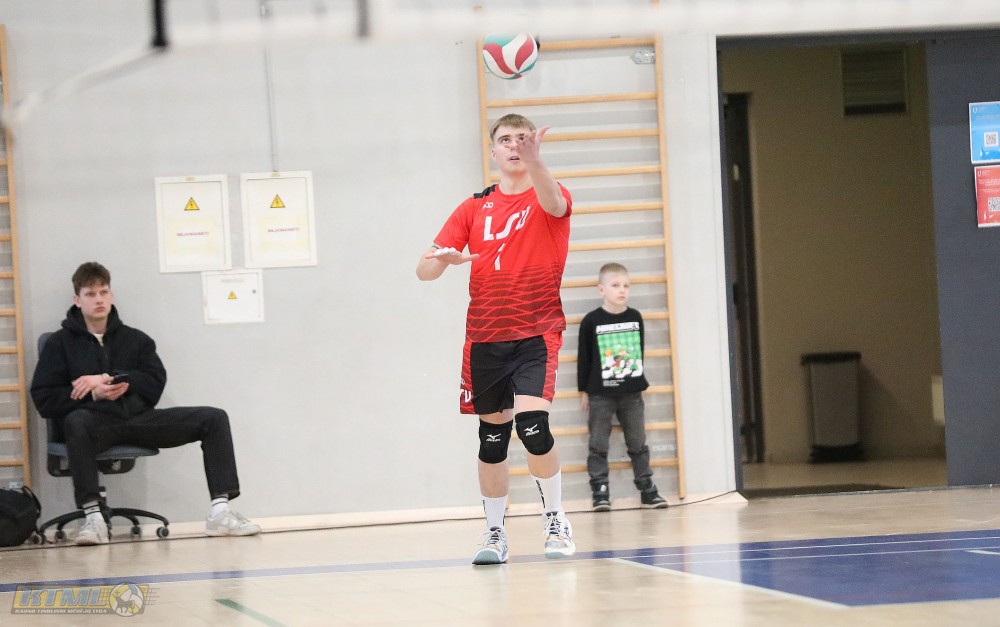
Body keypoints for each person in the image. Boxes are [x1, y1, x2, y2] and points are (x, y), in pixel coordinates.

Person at [416, 113, 575, 565]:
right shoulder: (473, 208)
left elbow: (555, 204)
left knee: (533, 427)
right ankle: (494, 533)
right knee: (492, 440)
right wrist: (444, 260)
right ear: (493, 151)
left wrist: (536, 161)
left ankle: (555, 519)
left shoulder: (549, 194)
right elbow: (423, 270)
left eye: (522, 139)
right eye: (505, 140)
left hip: (536, 331)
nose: (514, 146)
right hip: (486, 336)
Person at [30, 262, 261, 545]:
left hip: (138, 419)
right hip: (95, 425)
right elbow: (44, 399)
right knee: (75, 421)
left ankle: (221, 513)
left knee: (214, 418)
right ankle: (93, 518)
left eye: (104, 292)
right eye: (90, 294)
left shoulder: (136, 340)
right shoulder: (59, 344)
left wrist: (112, 379)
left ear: (111, 295)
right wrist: (93, 394)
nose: (99, 299)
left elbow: (154, 384)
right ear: (77, 300)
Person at [577, 262, 668, 511]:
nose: (622, 290)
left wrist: (635, 379)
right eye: (616, 285)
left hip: (631, 394)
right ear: (601, 289)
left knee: (638, 443)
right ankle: (600, 490)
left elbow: (639, 351)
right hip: (600, 395)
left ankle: (647, 489)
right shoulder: (591, 321)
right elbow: (584, 358)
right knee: (598, 443)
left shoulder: (635, 317)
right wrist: (584, 390)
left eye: (626, 286)